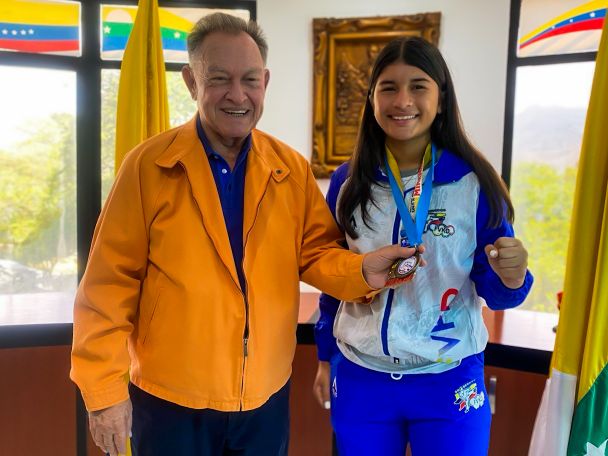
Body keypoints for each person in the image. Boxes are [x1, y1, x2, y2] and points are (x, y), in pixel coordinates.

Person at [70, 13, 417, 456]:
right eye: (219, 79)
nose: (237, 95)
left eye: (250, 79)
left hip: (263, 399)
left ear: (265, 82)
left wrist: (362, 271)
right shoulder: (148, 166)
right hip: (170, 400)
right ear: (191, 82)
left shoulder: (289, 169)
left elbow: (316, 254)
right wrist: (104, 394)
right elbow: (107, 287)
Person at [312, 36, 533, 456]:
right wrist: (325, 357)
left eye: (418, 86)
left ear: (441, 98)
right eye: (388, 88)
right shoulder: (347, 183)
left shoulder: (474, 183)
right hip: (361, 376)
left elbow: (499, 292)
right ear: (372, 99)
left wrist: (513, 275)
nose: (402, 101)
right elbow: (332, 276)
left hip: (449, 378)